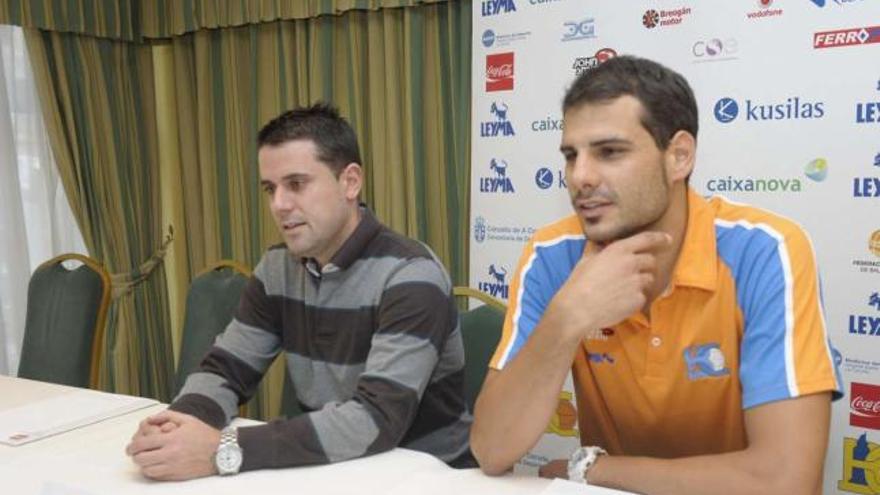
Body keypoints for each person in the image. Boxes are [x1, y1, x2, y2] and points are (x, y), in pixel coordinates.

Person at [470, 56, 841, 495]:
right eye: (572, 156)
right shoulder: (553, 254)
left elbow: (785, 483)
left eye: (610, 152)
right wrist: (568, 317)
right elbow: (491, 449)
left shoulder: (765, 250)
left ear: (679, 156)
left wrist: (592, 469)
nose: (579, 177)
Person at [126, 103, 472, 480]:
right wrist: (179, 425)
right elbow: (226, 368)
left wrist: (222, 450)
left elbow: (375, 420)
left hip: (429, 476)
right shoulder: (277, 268)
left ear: (350, 182)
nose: (279, 205)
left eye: (296, 184)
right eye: (270, 189)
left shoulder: (411, 274)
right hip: (327, 469)